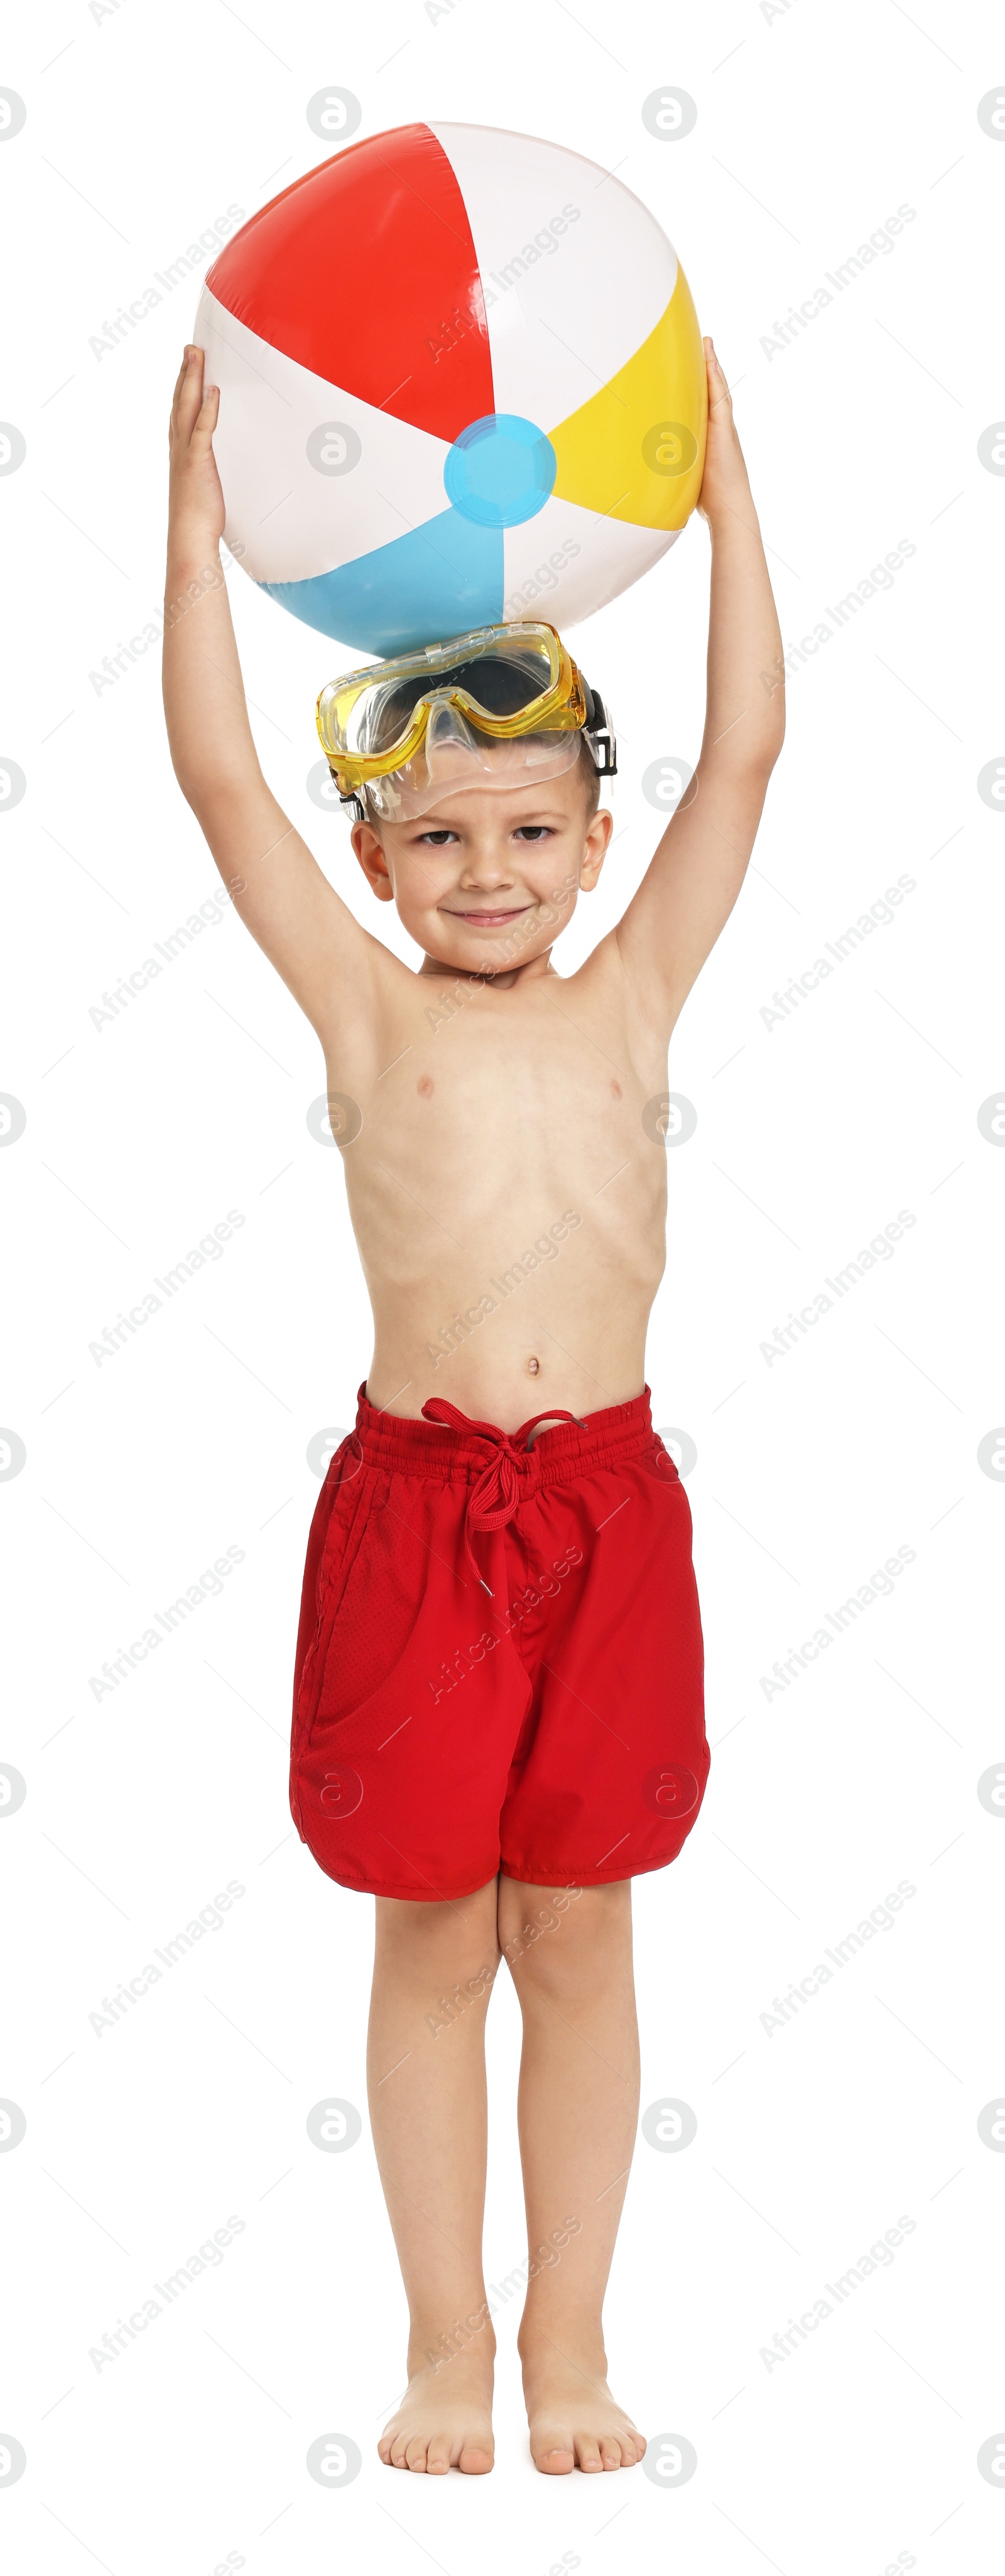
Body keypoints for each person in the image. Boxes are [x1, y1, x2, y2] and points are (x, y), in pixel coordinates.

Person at [162, 336, 785, 2478]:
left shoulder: (635, 986)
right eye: (434, 838)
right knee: (434, 1928)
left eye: (529, 825)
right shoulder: (360, 1003)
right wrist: (186, 547)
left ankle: (576, 2342)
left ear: (596, 837)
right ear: (379, 863)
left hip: (607, 1505)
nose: (487, 869)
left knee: (584, 1924)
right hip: (418, 1514)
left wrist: (726, 511)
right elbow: (225, 787)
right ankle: (447, 2345)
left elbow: (751, 763)